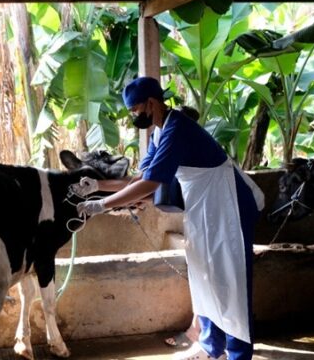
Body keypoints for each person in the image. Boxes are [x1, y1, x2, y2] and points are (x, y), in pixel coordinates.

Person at [73, 76, 264, 360]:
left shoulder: (177, 129)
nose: (134, 117)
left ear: (152, 103)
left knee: (230, 279)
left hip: (228, 203)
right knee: (204, 277)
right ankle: (213, 349)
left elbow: (150, 186)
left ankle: (238, 354)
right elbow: (140, 178)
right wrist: (97, 186)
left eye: (136, 110)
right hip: (204, 207)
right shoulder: (159, 133)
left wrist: (103, 205)